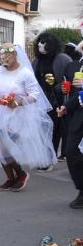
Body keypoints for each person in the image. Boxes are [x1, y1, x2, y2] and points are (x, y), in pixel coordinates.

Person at [0, 43, 57, 192]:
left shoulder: (25, 73)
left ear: (15, 55)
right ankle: (10, 178)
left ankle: (21, 174)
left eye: (6, 57)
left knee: (5, 148)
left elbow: (35, 95)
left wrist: (17, 102)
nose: (3, 60)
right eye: (1, 57)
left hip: (16, 114)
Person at [32, 32, 72, 167]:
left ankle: (49, 158)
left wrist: (59, 88)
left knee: (54, 130)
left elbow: (70, 78)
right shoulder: (37, 60)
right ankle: (42, 156)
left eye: (43, 42)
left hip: (57, 100)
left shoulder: (63, 59)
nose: (39, 44)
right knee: (41, 129)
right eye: (39, 42)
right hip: (40, 100)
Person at [57, 40, 83, 208]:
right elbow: (75, 92)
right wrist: (66, 106)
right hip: (80, 114)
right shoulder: (75, 65)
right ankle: (82, 189)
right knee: (71, 151)